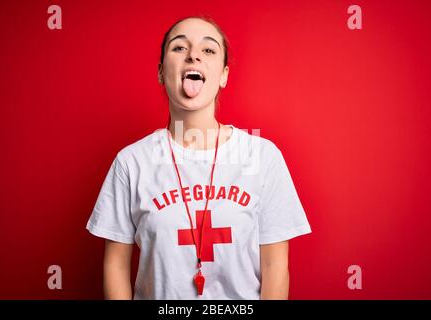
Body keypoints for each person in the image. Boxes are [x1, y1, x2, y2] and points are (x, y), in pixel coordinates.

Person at [86, 15, 312, 300]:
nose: (193, 55)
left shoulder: (263, 157)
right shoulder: (131, 162)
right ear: (160, 72)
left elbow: (275, 265)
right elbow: (116, 265)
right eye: (179, 48)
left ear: (224, 75)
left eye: (208, 50)